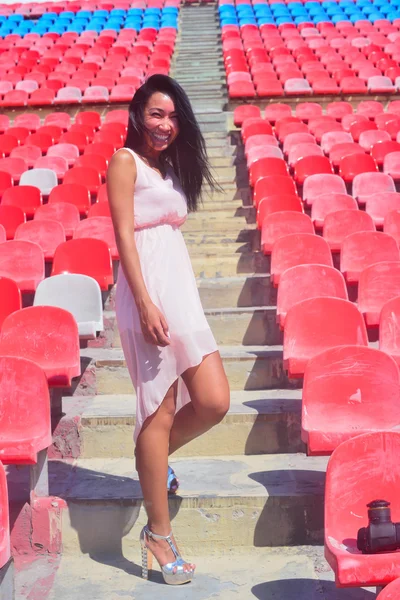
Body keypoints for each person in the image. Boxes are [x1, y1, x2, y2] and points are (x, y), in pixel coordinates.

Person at [107, 74, 230, 586]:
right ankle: (159, 533)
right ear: (139, 113)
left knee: (214, 399)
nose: (166, 125)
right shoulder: (124, 161)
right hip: (148, 294)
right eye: (157, 114)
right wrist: (143, 300)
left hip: (180, 294)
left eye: (174, 117)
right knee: (158, 409)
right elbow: (123, 238)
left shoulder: (166, 167)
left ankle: (152, 465)